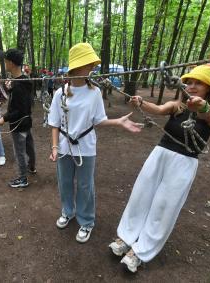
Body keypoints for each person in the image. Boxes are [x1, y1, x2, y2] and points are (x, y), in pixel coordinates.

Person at [108, 65, 210, 272]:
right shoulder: (177, 105)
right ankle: (126, 236)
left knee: (164, 206)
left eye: (198, 83)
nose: (192, 86)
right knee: (140, 196)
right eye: (189, 82)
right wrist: (141, 102)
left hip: (184, 162)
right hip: (160, 154)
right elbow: (159, 109)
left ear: (209, 88)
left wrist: (202, 107)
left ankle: (141, 250)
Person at [47, 43, 143, 243]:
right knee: (64, 182)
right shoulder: (60, 93)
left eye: (92, 63)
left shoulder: (94, 92)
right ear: (76, 67)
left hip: (86, 147)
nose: (91, 67)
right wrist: (55, 147)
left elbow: (99, 119)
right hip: (64, 146)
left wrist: (118, 122)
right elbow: (54, 124)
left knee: (85, 185)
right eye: (87, 63)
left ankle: (86, 221)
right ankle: (68, 211)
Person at [0, 49, 36, 188]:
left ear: (11, 63)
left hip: (18, 123)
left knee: (19, 152)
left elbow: (18, 110)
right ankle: (32, 167)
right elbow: (22, 102)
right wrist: (10, 89)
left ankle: (22, 178)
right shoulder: (23, 80)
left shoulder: (18, 85)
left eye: (5, 61)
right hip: (26, 121)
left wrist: (4, 118)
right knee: (29, 146)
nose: (4, 64)